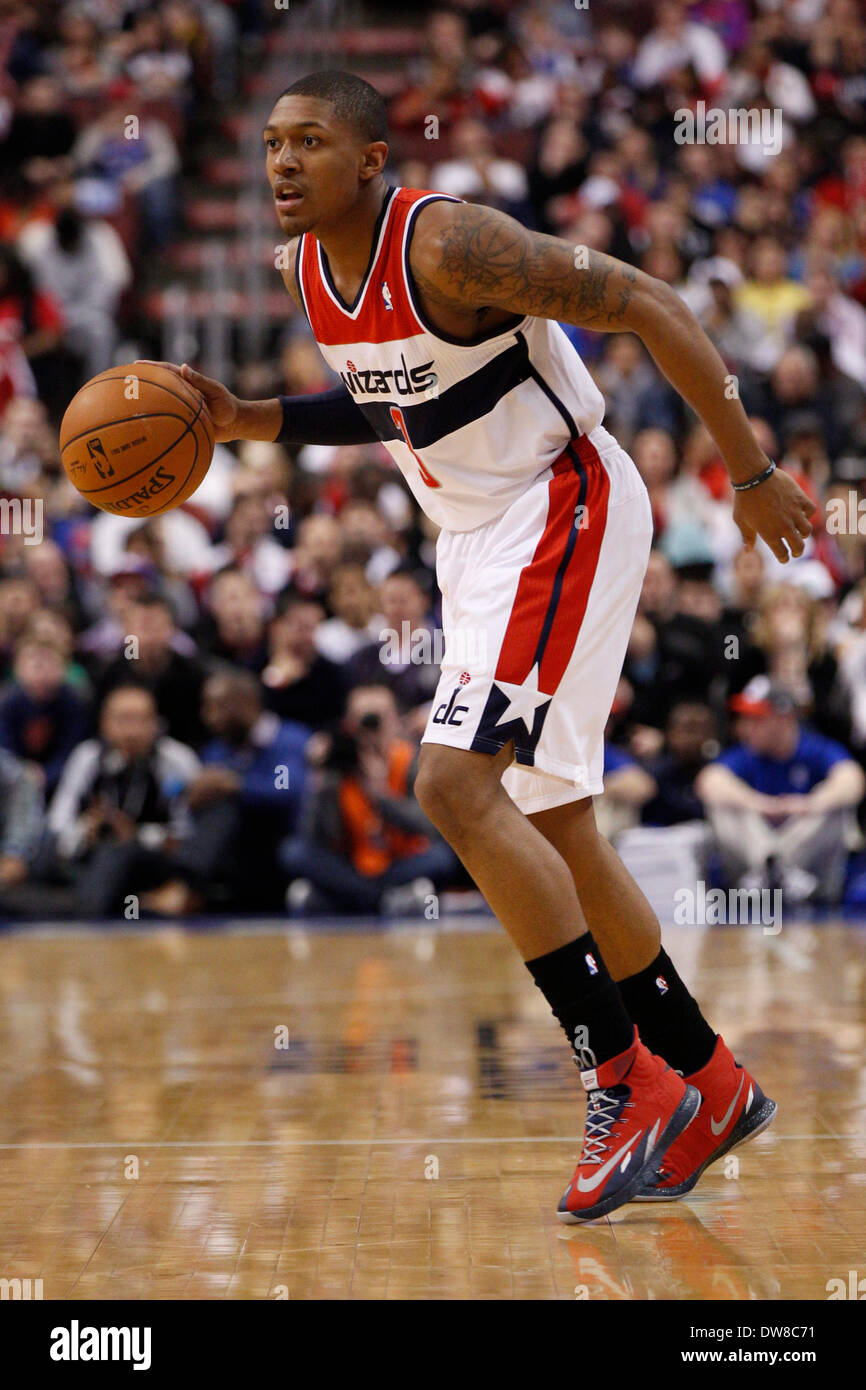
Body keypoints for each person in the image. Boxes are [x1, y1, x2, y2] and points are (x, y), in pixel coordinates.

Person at [144, 70, 815, 1222]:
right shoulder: (309, 270)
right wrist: (258, 421)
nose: (280, 163)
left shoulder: (450, 244)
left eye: (309, 141)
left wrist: (747, 471)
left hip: (562, 501)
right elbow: (402, 400)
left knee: (450, 784)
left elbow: (649, 300)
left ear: (370, 159)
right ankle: (707, 1078)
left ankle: (623, 1076)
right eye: (268, 144)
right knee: (551, 822)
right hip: (473, 541)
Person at [280, 683, 456, 916]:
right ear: (348, 724)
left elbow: (427, 826)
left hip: (398, 862)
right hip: (350, 863)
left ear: (395, 720)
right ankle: (381, 898)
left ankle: (350, 898)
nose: (370, 729)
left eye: (377, 719)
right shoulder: (337, 763)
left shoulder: (410, 758)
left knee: (442, 856)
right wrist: (319, 783)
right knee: (293, 852)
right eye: (363, 720)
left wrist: (380, 796)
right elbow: (312, 835)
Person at [697, 679, 865, 904]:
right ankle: (770, 869)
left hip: (807, 873)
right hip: (753, 869)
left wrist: (807, 804)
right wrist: (759, 803)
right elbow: (708, 781)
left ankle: (781, 870)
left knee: (834, 806)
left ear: (784, 719)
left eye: (756, 719)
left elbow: (852, 780)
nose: (745, 727)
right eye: (745, 719)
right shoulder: (745, 754)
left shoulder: (815, 748)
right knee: (724, 805)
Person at [47, 683, 199, 918]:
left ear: (156, 724)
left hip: (152, 861)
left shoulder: (176, 760)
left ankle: (86, 907)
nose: (132, 731)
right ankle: (130, 902)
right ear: (104, 724)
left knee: (116, 853)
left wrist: (134, 835)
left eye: (142, 720)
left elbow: (187, 833)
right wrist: (86, 830)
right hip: (92, 856)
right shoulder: (87, 757)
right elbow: (58, 821)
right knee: (45, 851)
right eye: (123, 720)